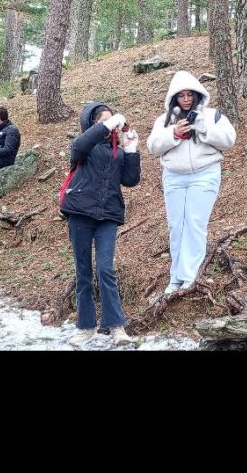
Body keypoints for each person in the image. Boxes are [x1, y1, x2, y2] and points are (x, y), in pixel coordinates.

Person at [147, 71, 236, 295]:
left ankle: (190, 275)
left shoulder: (213, 116)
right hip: (174, 176)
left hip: (205, 174)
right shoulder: (164, 120)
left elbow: (229, 140)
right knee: (176, 225)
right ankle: (176, 277)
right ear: (173, 98)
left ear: (197, 95)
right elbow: (153, 146)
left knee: (195, 222)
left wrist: (203, 127)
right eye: (181, 96)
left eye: (189, 95)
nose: (186, 99)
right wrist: (173, 133)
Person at [61, 102, 141, 348]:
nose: (111, 127)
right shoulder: (84, 145)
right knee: (83, 272)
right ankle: (86, 328)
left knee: (105, 269)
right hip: (80, 213)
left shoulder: (115, 149)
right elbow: (78, 147)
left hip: (108, 215)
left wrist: (132, 150)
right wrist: (107, 122)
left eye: (113, 122)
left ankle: (116, 326)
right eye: (104, 122)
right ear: (92, 124)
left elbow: (130, 180)